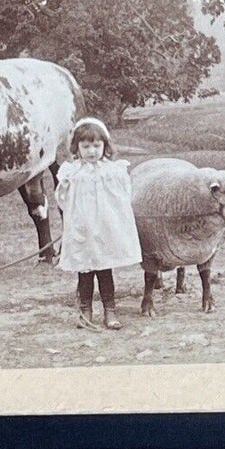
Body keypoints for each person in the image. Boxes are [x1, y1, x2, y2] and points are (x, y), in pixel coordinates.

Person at [54, 116, 142, 329]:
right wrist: (64, 187)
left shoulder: (112, 170)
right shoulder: (72, 171)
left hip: (103, 229)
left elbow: (122, 197)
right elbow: (62, 201)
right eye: (86, 146)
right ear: (77, 148)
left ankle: (110, 311)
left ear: (105, 145)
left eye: (96, 145)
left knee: (105, 271)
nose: (92, 151)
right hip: (82, 230)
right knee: (84, 273)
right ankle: (86, 310)